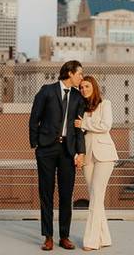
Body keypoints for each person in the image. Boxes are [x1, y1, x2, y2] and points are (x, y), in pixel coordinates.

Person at [29, 60, 86, 251]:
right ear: (70, 73)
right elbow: (34, 118)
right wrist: (35, 144)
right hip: (46, 149)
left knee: (66, 194)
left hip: (67, 152)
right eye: (79, 74)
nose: (81, 77)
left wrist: (80, 152)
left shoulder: (78, 97)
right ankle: (48, 236)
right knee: (46, 194)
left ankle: (64, 236)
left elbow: (79, 129)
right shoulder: (47, 91)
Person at [74, 75, 117, 251]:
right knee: (95, 197)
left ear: (94, 87)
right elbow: (78, 134)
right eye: (81, 87)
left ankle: (90, 241)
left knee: (97, 195)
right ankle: (104, 237)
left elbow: (106, 125)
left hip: (105, 155)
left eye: (87, 86)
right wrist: (79, 155)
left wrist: (84, 123)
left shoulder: (105, 104)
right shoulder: (80, 108)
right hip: (87, 156)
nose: (84, 89)